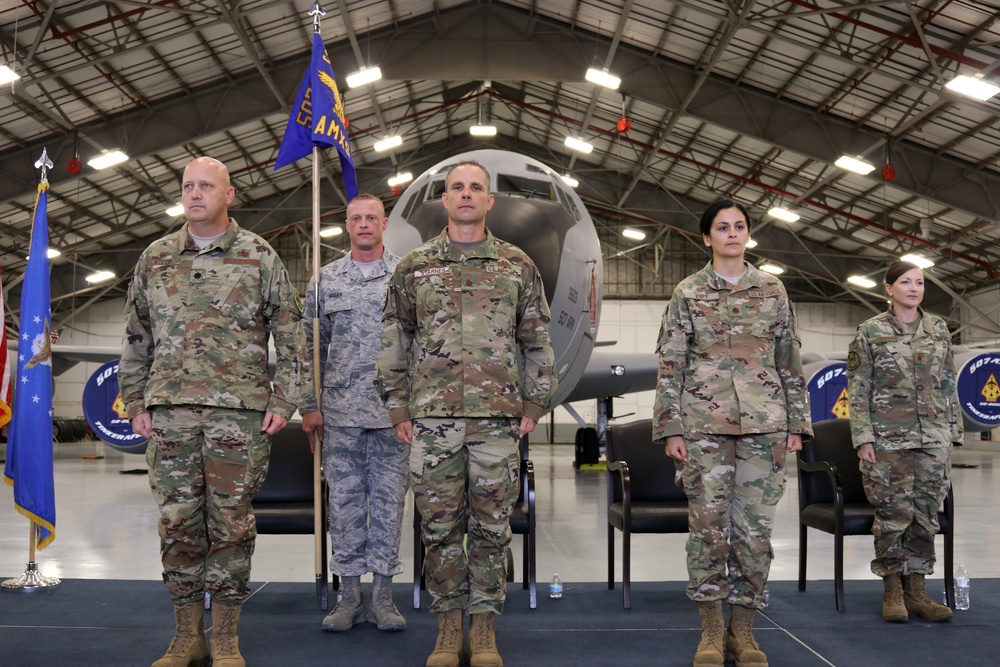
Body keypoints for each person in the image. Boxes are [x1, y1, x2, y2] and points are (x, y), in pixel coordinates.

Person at [119, 156, 305, 667]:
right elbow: (136, 339)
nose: (195, 194)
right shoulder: (155, 257)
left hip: (238, 416)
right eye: (188, 186)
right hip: (170, 414)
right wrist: (135, 401)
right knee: (178, 523)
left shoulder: (259, 256)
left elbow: (292, 337)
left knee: (231, 526)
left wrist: (284, 400)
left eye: (206, 186)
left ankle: (224, 636)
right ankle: (186, 636)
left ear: (229, 194)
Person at [375, 160, 556, 667]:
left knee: (492, 527)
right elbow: (394, 340)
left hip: (497, 420)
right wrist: (396, 407)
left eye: (477, 187)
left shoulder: (517, 266)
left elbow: (537, 341)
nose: (467, 195)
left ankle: (484, 629)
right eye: (458, 188)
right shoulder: (414, 267)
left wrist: (535, 403)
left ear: (489, 200)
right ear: (445, 199)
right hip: (432, 421)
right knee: (438, 526)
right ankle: (448, 626)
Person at [652, 200, 811, 667]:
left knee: (755, 533)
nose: (733, 233)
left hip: (766, 428)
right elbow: (671, 364)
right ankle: (710, 631)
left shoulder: (772, 289)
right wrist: (669, 428)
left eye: (740, 226)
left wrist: (797, 425)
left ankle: (743, 631)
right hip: (704, 429)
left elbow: (789, 361)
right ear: (707, 238)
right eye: (723, 227)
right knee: (707, 532)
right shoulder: (688, 292)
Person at [299, 194, 409, 633]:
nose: (364, 224)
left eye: (371, 218)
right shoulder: (325, 281)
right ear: (346, 225)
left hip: (391, 416)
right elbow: (308, 350)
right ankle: (349, 596)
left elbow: (418, 344)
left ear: (384, 224)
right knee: (343, 507)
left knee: (388, 505)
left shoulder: (405, 275)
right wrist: (309, 406)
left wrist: (413, 407)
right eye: (356, 218)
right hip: (340, 416)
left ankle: (383, 597)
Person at [846, 260, 960, 624]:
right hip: (886, 440)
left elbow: (948, 384)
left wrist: (952, 433)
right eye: (906, 282)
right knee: (893, 516)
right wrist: (863, 437)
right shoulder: (870, 331)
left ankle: (918, 590)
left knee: (926, 516)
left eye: (920, 282)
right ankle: (892, 589)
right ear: (888, 288)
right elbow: (859, 388)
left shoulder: (939, 329)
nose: (914, 288)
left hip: (933, 439)